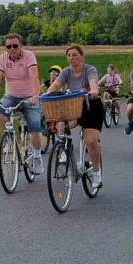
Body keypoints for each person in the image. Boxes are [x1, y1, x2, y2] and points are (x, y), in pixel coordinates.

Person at [46, 44, 104, 187]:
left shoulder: (89, 69)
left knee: (90, 140)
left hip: (92, 106)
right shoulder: (66, 72)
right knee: (62, 124)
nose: (72, 58)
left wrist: (94, 90)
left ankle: (97, 172)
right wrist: (47, 94)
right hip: (75, 106)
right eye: (69, 55)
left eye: (75, 55)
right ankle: (64, 149)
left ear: (82, 57)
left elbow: (93, 82)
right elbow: (55, 85)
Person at [0, 33, 44, 174]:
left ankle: (37, 156)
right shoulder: (2, 59)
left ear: (21, 46)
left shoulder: (29, 56)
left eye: (15, 46)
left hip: (29, 97)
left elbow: (34, 76)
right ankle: (9, 139)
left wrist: (35, 96)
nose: (12, 49)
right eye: (9, 46)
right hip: (11, 96)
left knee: (35, 126)